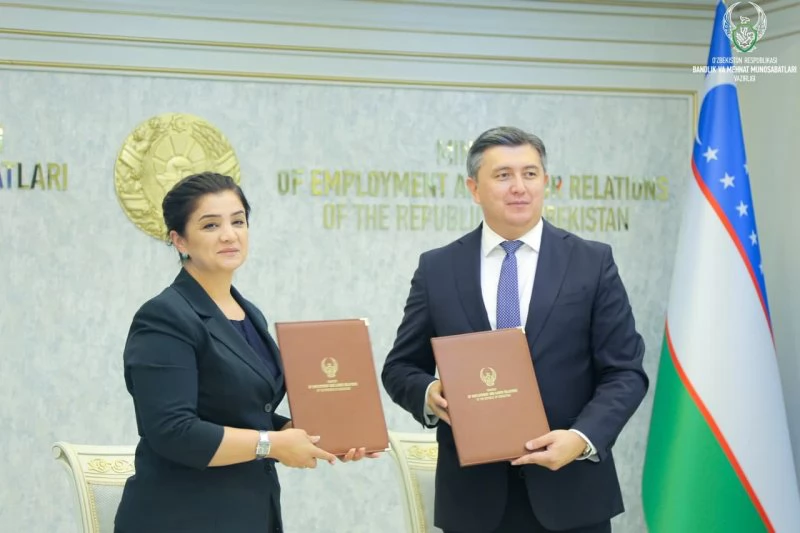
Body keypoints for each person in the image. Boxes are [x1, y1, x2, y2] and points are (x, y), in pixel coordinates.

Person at [381, 127, 648, 533]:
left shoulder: (591, 263)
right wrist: (429, 394)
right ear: (474, 188)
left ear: (545, 182)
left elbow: (625, 372)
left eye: (530, 173)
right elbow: (400, 368)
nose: (519, 187)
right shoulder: (438, 269)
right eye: (503, 175)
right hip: (473, 503)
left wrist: (581, 438)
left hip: (572, 494)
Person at [114, 172, 374, 533]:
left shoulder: (249, 313)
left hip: (252, 513)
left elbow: (248, 413)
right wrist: (273, 444)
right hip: (183, 516)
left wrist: (315, 435)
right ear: (179, 240)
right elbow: (174, 431)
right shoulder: (164, 317)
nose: (229, 234)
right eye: (210, 225)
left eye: (238, 221)